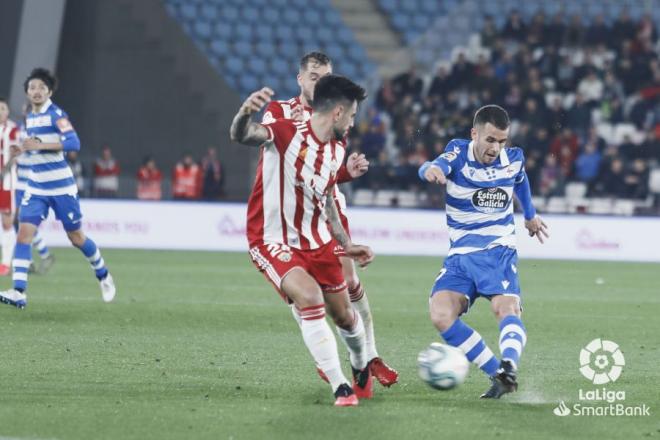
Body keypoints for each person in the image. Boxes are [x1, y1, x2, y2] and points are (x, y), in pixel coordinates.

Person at [230, 74, 374, 407]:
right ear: (338, 112)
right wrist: (244, 112)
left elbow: (326, 202)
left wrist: (346, 243)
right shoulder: (286, 132)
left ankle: (359, 365)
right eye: (352, 116)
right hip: (272, 239)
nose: (353, 123)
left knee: (345, 318)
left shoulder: (337, 149)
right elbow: (241, 135)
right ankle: (341, 387)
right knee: (309, 298)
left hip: (318, 241)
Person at [262, 51, 398, 388]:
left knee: (348, 284)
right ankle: (330, 361)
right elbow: (276, 156)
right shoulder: (280, 112)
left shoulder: (339, 114)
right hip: (293, 215)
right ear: (299, 79)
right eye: (313, 76)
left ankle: (369, 356)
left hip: (328, 207)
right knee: (305, 291)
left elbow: (326, 173)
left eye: (324, 76)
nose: (318, 82)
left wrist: (347, 174)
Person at [418, 105, 548, 399]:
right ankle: (497, 374)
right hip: (460, 256)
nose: (496, 148)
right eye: (490, 140)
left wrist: (530, 214)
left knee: (505, 308)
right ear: (474, 134)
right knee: (441, 314)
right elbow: (429, 165)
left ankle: (509, 366)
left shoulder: (512, 159)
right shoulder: (457, 153)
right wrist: (431, 170)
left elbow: (521, 180)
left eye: (502, 141)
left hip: (496, 250)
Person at [0, 68, 116, 309]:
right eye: (32, 87)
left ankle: (103, 273)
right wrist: (20, 150)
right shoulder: (30, 118)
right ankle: (19, 291)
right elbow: (35, 146)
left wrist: (41, 145)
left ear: (49, 91)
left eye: (41, 87)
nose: (36, 91)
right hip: (37, 185)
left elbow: (74, 143)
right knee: (24, 233)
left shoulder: (57, 114)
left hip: (62, 186)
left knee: (75, 237)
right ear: (27, 93)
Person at [0, 98, 18, 275]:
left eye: (3, 108)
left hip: (6, 181)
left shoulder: (12, 129)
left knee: (7, 221)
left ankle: (5, 263)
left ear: (8, 111)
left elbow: (15, 154)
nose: (0, 111)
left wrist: (3, 171)